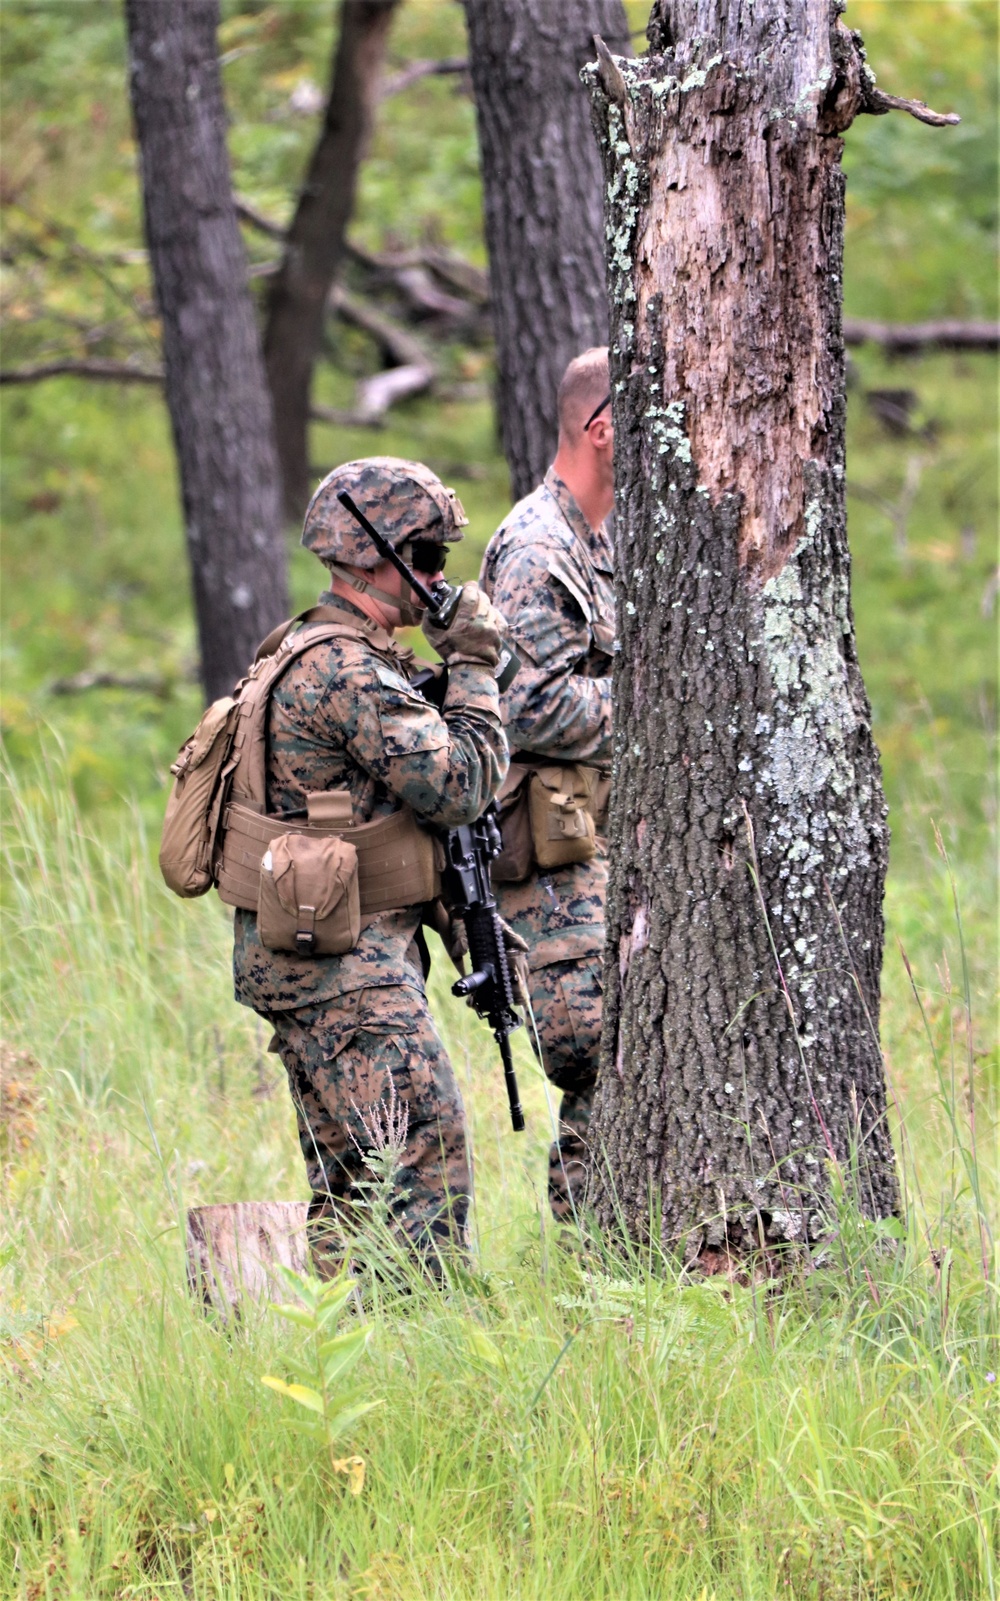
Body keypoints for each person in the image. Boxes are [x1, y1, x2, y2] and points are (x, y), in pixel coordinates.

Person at [229, 456, 509, 1273]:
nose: (436, 577)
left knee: (357, 1189)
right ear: (371, 556)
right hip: (342, 972)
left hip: (321, 962)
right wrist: (477, 665)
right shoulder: (344, 669)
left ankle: (356, 1358)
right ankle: (422, 1350)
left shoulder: (327, 653)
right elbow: (458, 783)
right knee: (422, 1156)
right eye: (425, 558)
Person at [480, 347, 615, 1221]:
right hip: (551, 861)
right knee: (594, 1059)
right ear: (603, 430)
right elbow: (528, 707)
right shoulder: (538, 547)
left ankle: (615, 1269)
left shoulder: (596, 539)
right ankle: (592, 1270)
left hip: (592, 842)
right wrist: (671, 701)